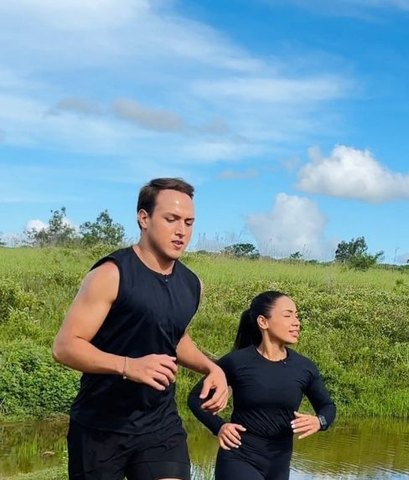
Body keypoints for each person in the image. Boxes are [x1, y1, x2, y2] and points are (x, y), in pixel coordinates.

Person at [52, 177, 229, 480]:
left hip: (159, 426)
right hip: (101, 427)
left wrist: (211, 368)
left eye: (188, 222)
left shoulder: (191, 284)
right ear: (143, 218)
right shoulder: (111, 274)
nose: (181, 231)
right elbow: (66, 346)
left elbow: (174, 336)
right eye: (171, 219)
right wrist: (127, 365)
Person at [188, 290, 336, 480]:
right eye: (287, 315)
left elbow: (327, 407)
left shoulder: (304, 367)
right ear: (263, 322)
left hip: (279, 463)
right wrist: (220, 427)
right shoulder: (237, 362)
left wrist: (319, 421)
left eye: (297, 316)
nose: (296, 322)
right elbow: (195, 398)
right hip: (239, 457)